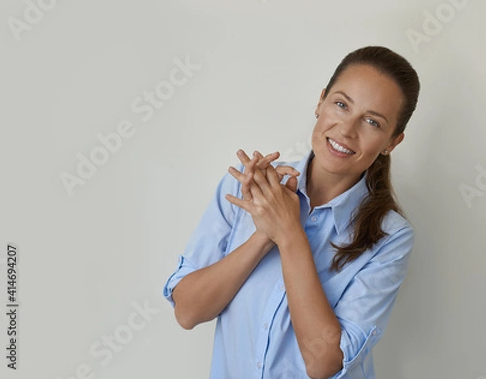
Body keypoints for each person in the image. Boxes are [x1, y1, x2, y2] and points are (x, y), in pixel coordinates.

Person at [163, 45, 421, 378]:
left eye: (372, 122)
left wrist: (289, 234)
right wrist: (262, 236)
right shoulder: (247, 187)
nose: (347, 130)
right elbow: (188, 312)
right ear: (321, 102)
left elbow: (324, 363)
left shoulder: (391, 238)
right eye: (341, 105)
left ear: (391, 142)